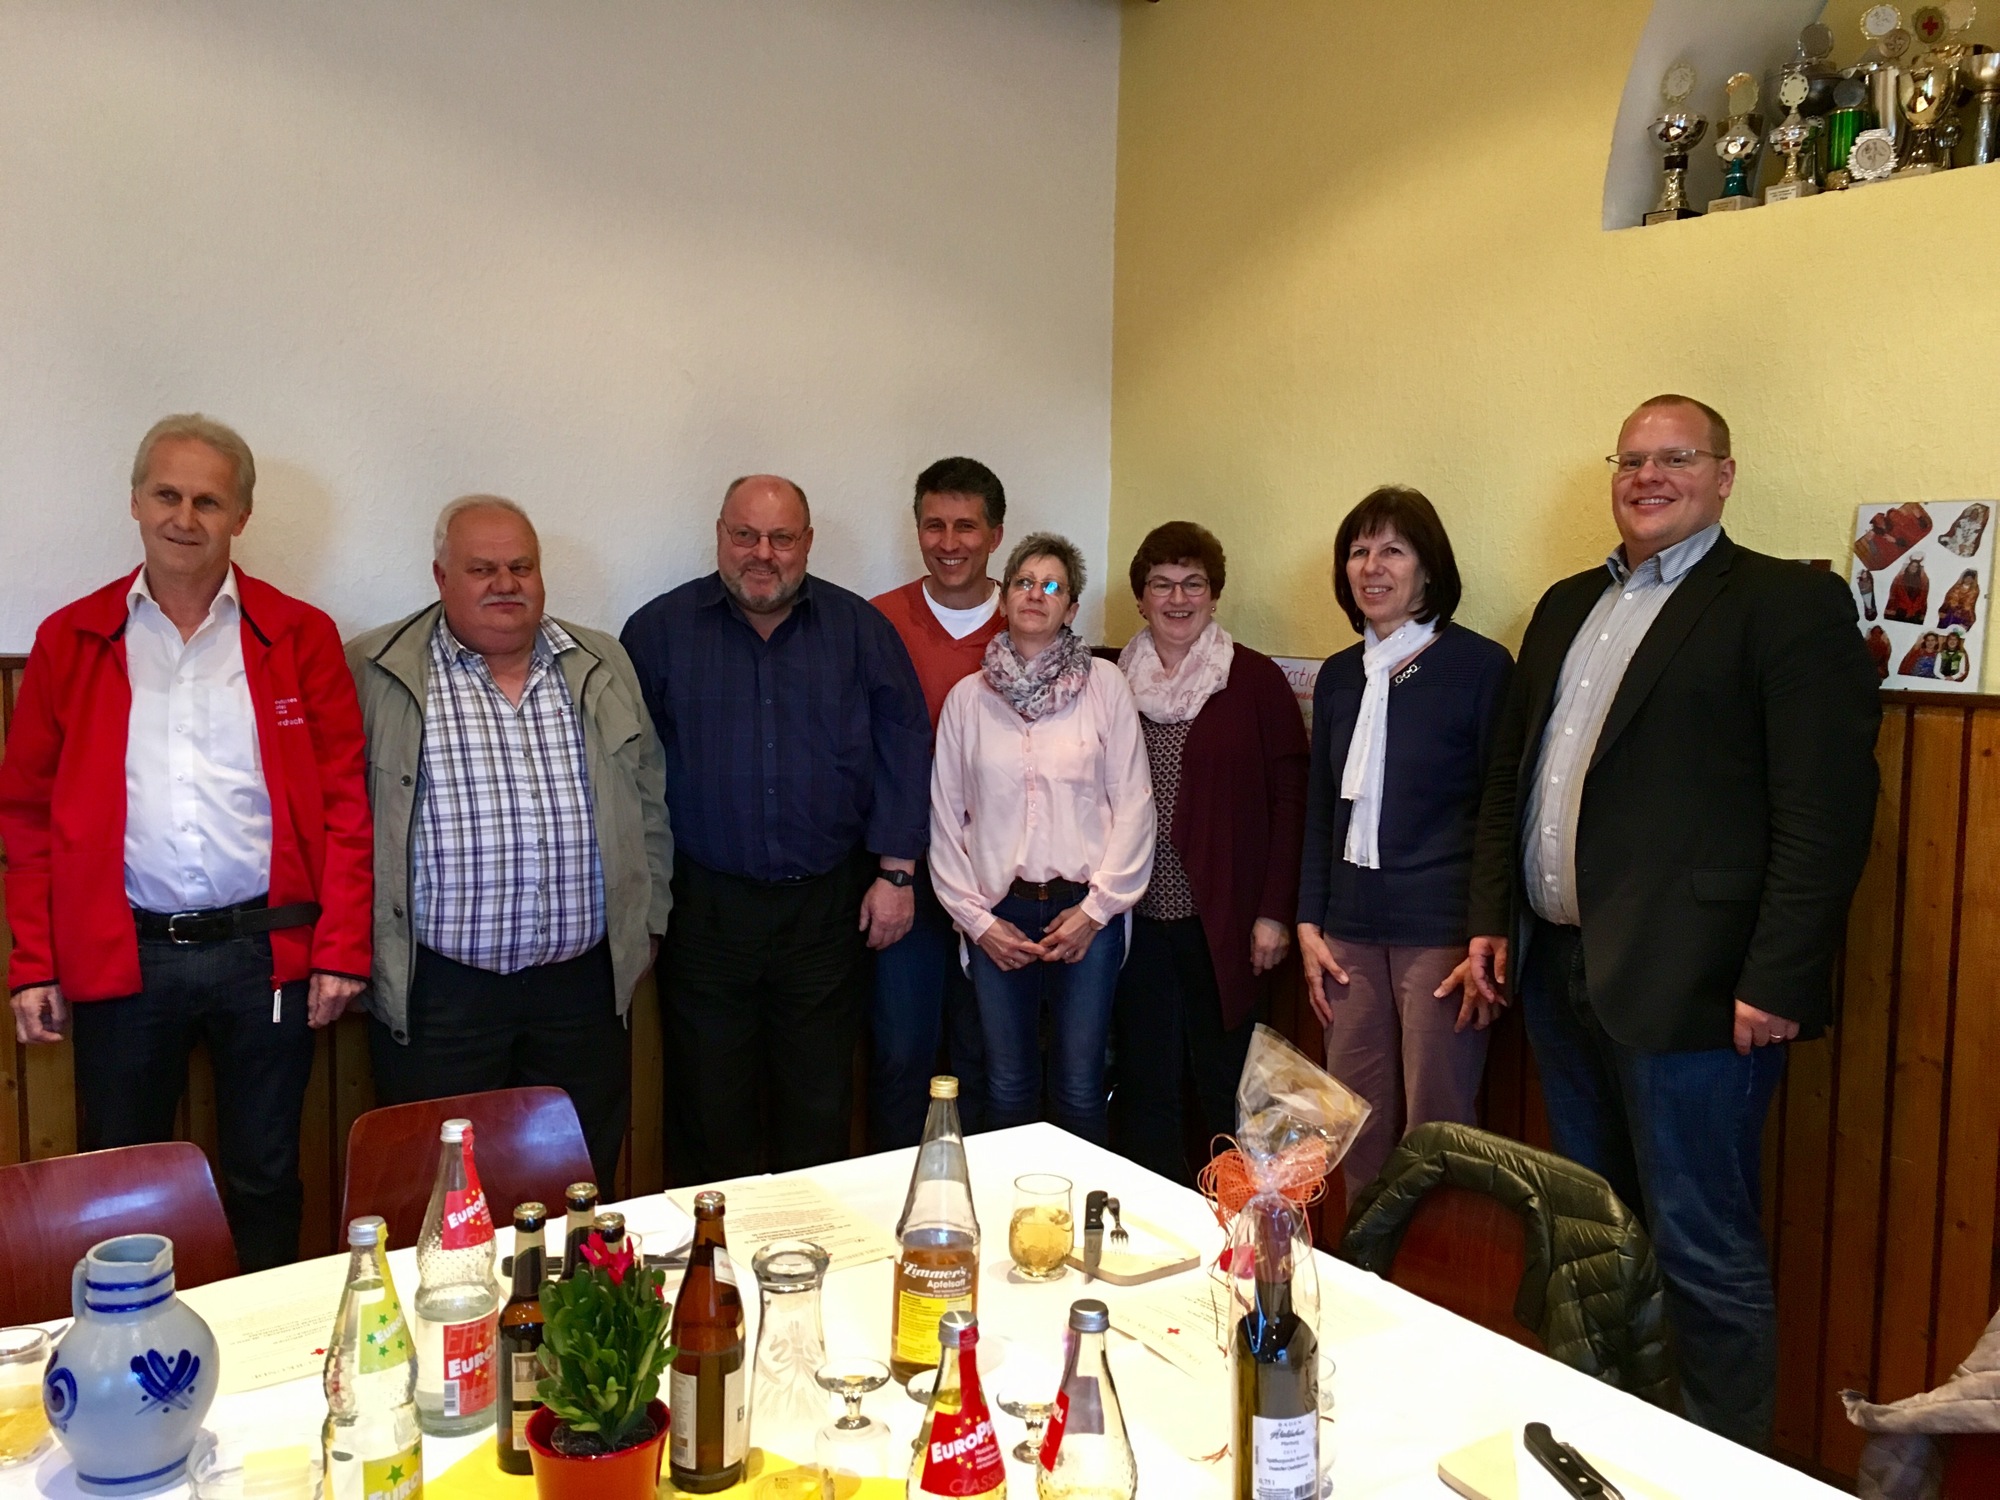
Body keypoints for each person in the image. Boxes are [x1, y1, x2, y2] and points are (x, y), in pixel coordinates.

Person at [1464, 395, 1881, 1449]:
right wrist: (1493, 917)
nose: (1648, 476)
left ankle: (1715, 1470)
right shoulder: (1566, 605)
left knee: (1701, 1247)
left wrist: (1779, 978)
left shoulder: (1785, 604)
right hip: (1560, 967)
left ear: (1724, 476)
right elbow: (1513, 775)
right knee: (1594, 1233)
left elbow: (1825, 813)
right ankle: (1606, 1445)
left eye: (1676, 458)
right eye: (1631, 460)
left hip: (1699, 985)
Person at [0, 414, 371, 1269]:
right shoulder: (72, 638)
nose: (184, 517)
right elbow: (25, 814)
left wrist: (341, 948)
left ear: (241, 516)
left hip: (266, 951)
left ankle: (271, 1337)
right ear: (135, 501)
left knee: (266, 1177)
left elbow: (345, 803)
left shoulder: (299, 634)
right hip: (126, 952)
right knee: (120, 1178)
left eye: (208, 501)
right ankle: (129, 1341)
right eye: (167, 494)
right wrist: (33, 964)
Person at [347, 496, 672, 1185]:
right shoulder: (375, 669)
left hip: (582, 992)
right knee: (440, 1194)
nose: (505, 584)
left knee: (576, 1187)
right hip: (440, 994)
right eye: (482, 569)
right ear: (441, 577)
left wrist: (648, 922)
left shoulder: (601, 661)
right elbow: (337, 820)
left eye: (521, 567)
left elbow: (648, 799)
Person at [621, 475, 930, 1181]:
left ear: (807, 543)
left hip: (826, 910)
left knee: (817, 1106)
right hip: (705, 911)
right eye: (746, 535)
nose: (762, 553)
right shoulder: (658, 632)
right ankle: (712, 1248)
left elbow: (905, 748)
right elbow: (629, 773)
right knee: (707, 1108)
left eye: (781, 537)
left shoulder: (860, 632)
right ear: (720, 536)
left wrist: (897, 872)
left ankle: (809, 1245)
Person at [1294, 488, 1512, 1205]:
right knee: (1353, 1124)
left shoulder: (1478, 667)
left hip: (1442, 937)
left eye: (1392, 550)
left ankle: (1433, 1271)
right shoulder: (1339, 674)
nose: (1372, 566)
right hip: (1347, 934)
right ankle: (1363, 1264)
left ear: (1428, 568)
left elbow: (1498, 811)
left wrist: (1487, 929)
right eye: (1359, 551)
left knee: (1437, 1130)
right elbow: (1321, 808)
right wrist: (1308, 921)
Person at [930, 533, 1154, 1146]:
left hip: (1086, 911)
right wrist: (978, 923)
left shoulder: (1106, 686)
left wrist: (1096, 912)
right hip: (999, 913)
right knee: (1006, 1084)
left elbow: (1134, 805)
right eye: (1024, 582)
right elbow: (946, 822)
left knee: (1080, 1085)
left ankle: (1081, 1208)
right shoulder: (968, 700)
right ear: (1005, 598)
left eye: (1052, 586)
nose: (1036, 594)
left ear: (1071, 607)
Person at [1110, 522, 1308, 1184]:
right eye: (1161, 584)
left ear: (1214, 594)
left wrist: (1275, 912)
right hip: (1133, 920)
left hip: (1224, 923)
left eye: (1192, 583)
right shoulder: (1110, 680)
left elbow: (1291, 801)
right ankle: (1151, 1210)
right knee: (1145, 1080)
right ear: (1141, 598)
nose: (1177, 598)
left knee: (1226, 1081)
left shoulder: (1252, 680)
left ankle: (1234, 1217)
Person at [866, 457, 1007, 1148]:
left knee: (988, 1056)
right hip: (907, 877)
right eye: (934, 526)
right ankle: (896, 1193)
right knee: (901, 1053)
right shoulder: (877, 621)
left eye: (966, 527)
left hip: (1001, 881)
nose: (949, 543)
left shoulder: (1029, 616)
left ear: (996, 535)